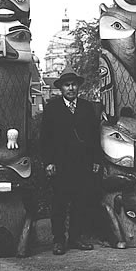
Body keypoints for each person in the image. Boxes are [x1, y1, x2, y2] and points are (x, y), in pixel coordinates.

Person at [40, 65, 101, 255]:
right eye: (67, 85)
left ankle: (76, 238)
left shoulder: (86, 107)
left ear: (78, 87)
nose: (71, 88)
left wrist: (96, 159)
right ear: (61, 88)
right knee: (59, 203)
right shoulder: (52, 109)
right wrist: (48, 162)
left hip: (82, 164)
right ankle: (58, 240)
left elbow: (94, 136)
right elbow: (45, 138)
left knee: (80, 202)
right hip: (61, 165)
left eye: (73, 85)